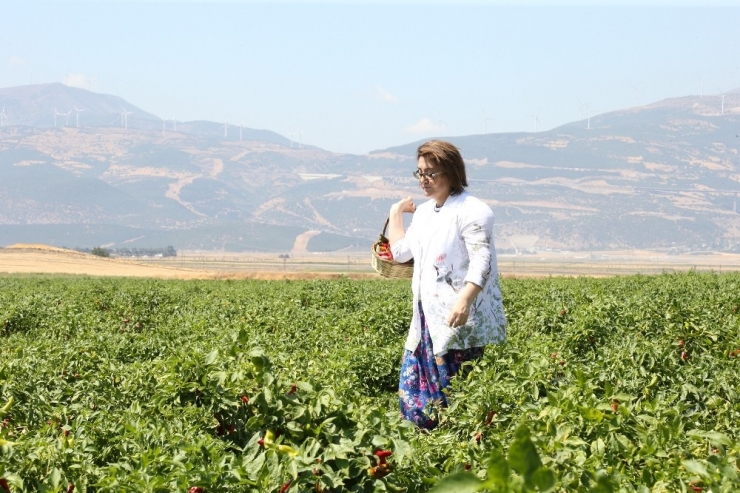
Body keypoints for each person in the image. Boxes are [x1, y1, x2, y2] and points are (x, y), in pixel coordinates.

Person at [387, 140, 507, 429]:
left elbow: (482, 260)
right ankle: (426, 450)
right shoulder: (426, 213)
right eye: (419, 173)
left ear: (452, 172)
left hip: (459, 320)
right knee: (413, 395)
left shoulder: (473, 210)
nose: (424, 181)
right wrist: (395, 213)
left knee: (456, 397)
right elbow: (401, 253)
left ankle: (458, 455)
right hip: (427, 317)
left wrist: (465, 299)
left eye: (431, 173)